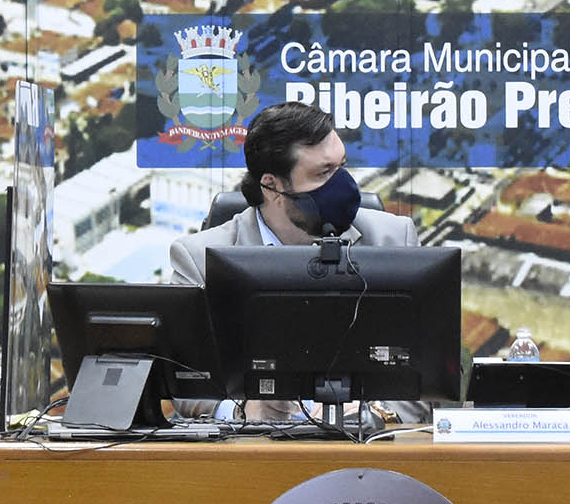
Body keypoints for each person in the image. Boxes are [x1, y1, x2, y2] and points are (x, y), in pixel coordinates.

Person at [166, 102, 420, 424]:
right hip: (257, 455)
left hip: (363, 452)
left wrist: (378, 413)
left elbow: (430, 375)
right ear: (272, 187)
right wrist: (244, 412)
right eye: (323, 173)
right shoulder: (198, 259)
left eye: (341, 167)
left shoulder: (393, 239)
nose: (341, 186)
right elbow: (188, 385)